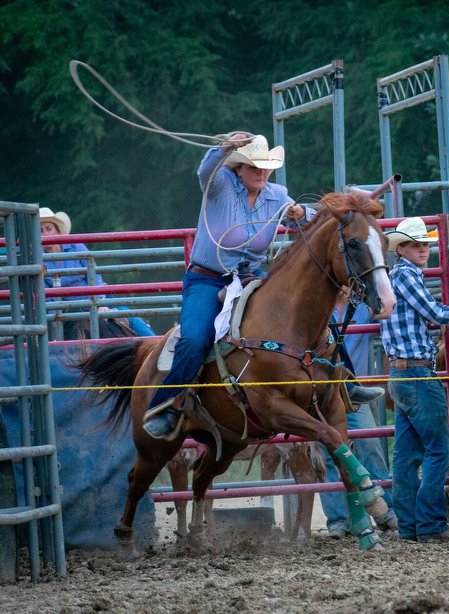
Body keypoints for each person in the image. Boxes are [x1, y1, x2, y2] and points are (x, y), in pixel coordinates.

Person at [143, 133, 313, 439]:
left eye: (265, 167)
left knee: (302, 313)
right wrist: (223, 147)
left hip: (252, 276)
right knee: (194, 339)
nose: (261, 172)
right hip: (208, 279)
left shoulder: (277, 195)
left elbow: (308, 219)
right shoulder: (219, 184)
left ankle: (345, 383)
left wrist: (303, 213)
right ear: (238, 168)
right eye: (253, 166)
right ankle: (167, 405)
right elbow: (204, 171)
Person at [380, 217, 449, 542]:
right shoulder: (407, 276)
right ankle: (431, 524)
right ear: (401, 249)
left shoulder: (394, 276)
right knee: (439, 448)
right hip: (416, 372)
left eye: (425, 244)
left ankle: (411, 525)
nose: (423, 250)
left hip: (400, 373)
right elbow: (436, 314)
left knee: (405, 454)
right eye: (416, 245)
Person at [320, 287, 397, 538]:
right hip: (326, 393)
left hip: (352, 393)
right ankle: (339, 520)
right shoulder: (319, 306)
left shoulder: (363, 308)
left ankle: (388, 512)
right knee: (332, 455)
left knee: (370, 446)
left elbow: (387, 310)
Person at [39, 207, 157, 338]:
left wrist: (99, 302)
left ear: (58, 231)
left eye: (49, 229)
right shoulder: (39, 260)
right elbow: (47, 297)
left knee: (131, 319)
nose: (45, 234)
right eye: (40, 231)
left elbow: (95, 276)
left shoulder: (76, 246)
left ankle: (155, 343)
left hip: (96, 298)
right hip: (69, 310)